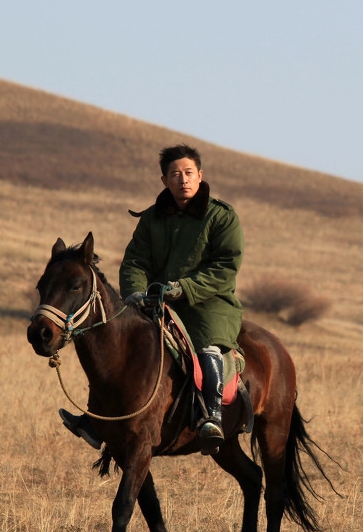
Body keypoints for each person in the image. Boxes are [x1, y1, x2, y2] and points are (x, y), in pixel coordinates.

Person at [60, 144, 244, 454]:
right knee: (120, 346)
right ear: (164, 180)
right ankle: (96, 419)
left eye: (188, 173)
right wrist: (135, 292)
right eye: (175, 174)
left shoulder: (222, 216)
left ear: (200, 175)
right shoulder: (151, 219)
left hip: (208, 303)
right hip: (156, 301)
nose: (183, 179)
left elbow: (225, 266)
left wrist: (184, 288)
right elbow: (135, 261)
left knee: (206, 343)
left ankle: (211, 417)